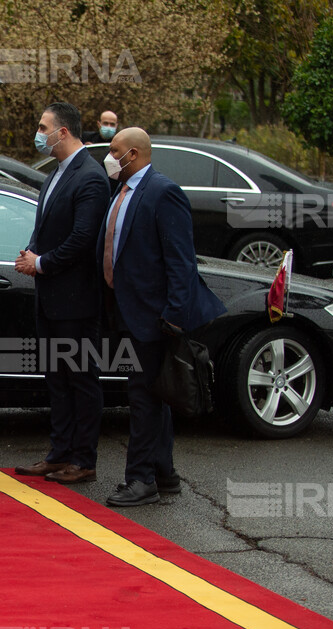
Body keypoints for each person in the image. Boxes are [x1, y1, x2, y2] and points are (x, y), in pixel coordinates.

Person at [97, 127, 225, 506]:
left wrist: (173, 316)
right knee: (154, 393)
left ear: (133, 154)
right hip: (127, 310)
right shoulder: (120, 191)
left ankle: (141, 480)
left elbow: (181, 262)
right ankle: (164, 473)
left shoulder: (162, 192)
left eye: (114, 150)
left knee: (142, 398)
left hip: (154, 317)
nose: (109, 156)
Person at [14, 102, 111, 485]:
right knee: (56, 377)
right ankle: (59, 453)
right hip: (51, 298)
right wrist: (31, 251)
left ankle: (83, 459)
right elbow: (49, 227)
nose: (39, 133)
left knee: (81, 379)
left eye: (43, 126)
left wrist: (40, 263)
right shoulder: (57, 173)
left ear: (64, 132)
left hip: (76, 301)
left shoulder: (90, 176)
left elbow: (83, 239)